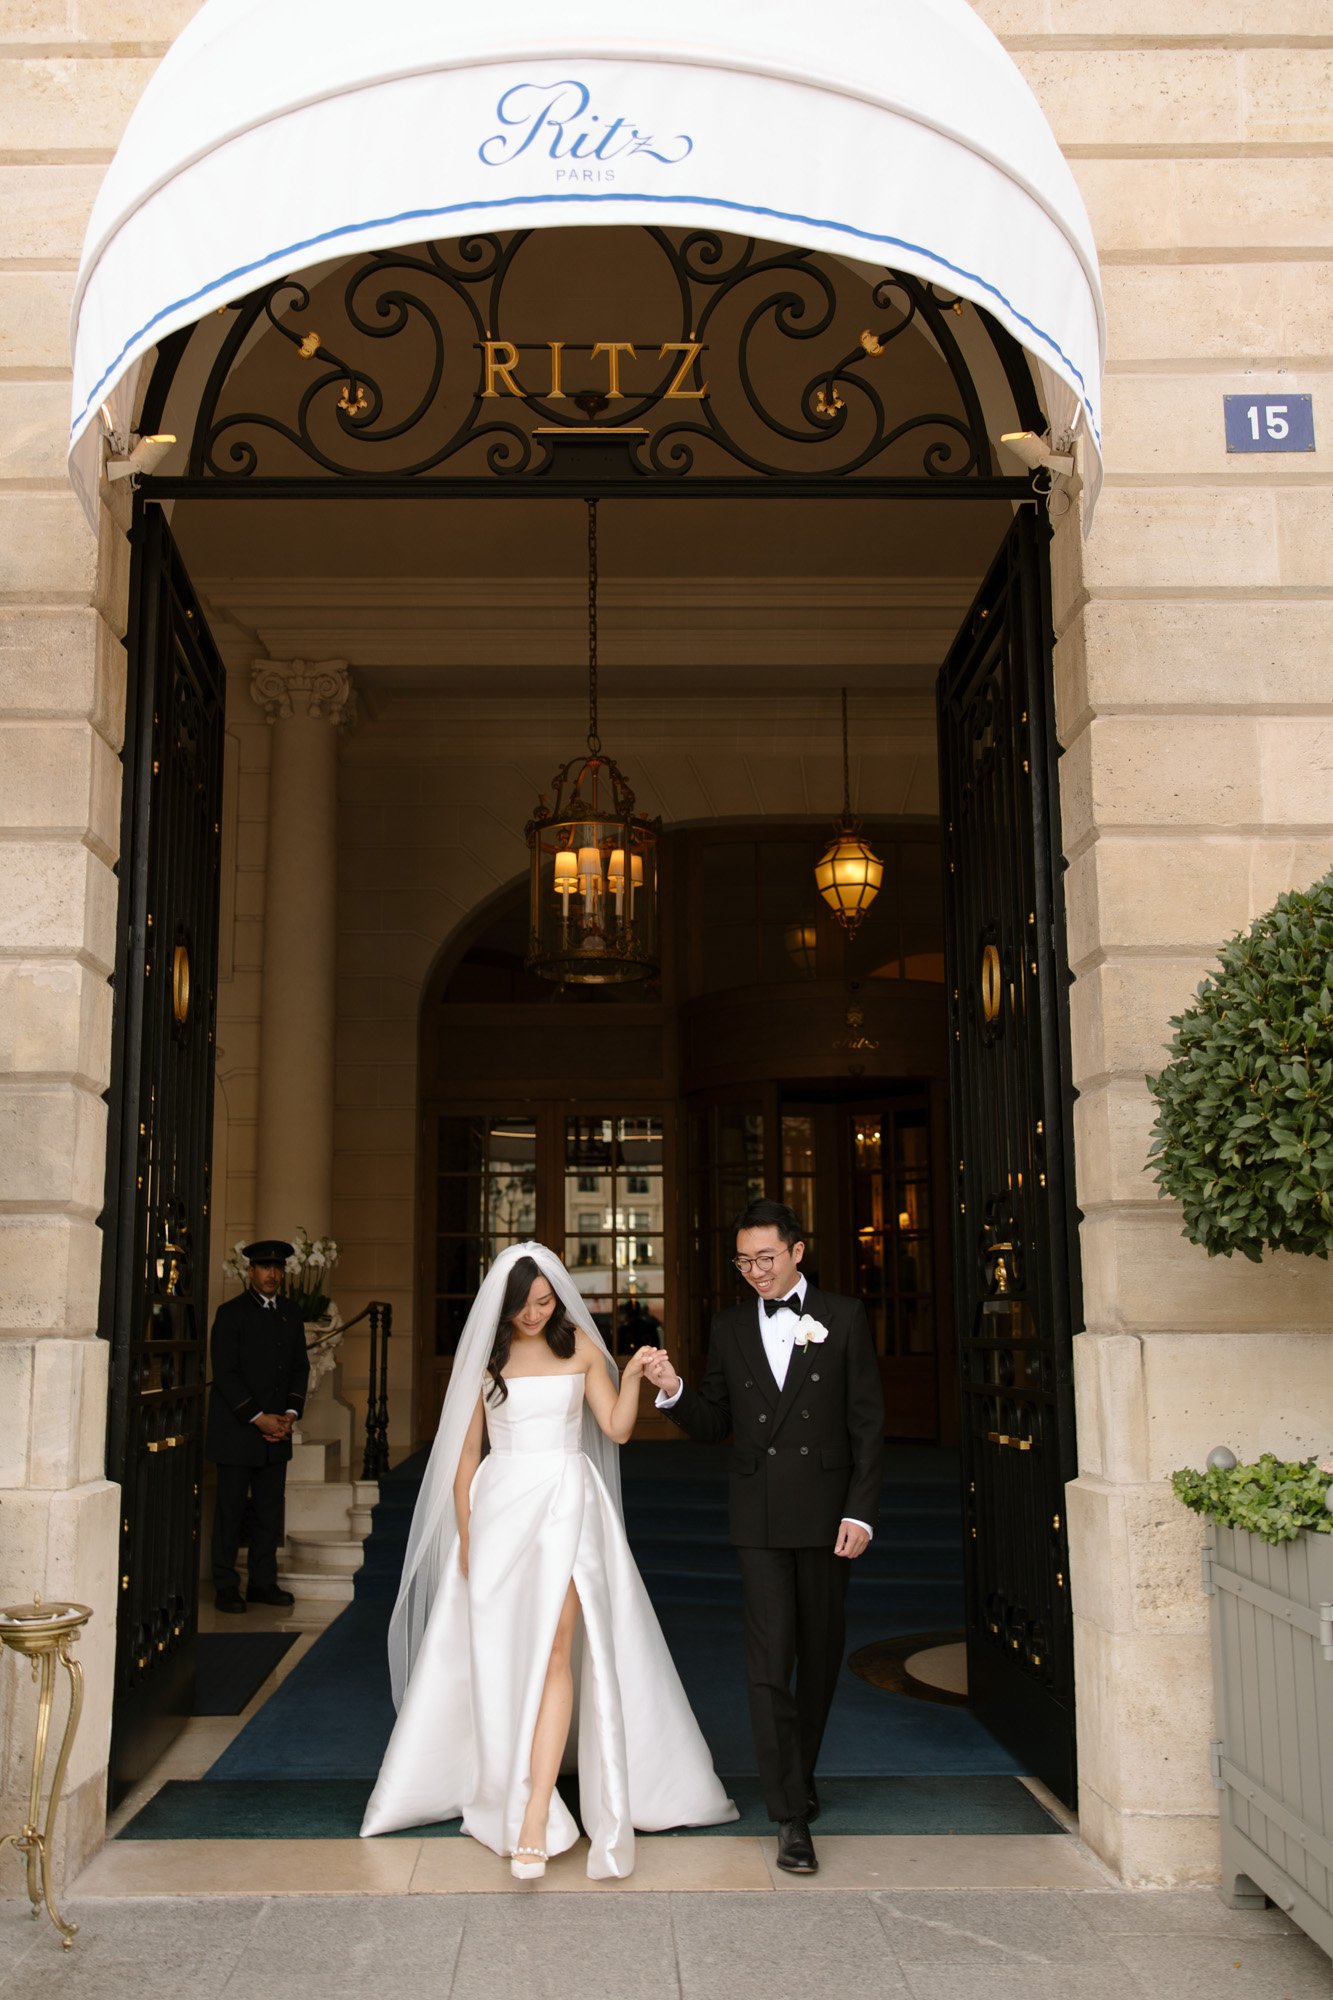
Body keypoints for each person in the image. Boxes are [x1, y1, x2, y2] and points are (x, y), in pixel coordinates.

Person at [360, 1241, 736, 1877]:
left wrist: (636, 1376)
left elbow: (615, 1429)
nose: (534, 1315)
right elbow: (464, 1456)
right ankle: (504, 1779)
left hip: (565, 1503)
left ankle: (535, 1811)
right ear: (502, 1308)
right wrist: (467, 1534)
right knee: (504, 1652)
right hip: (500, 1510)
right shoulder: (486, 1357)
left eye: (544, 1302)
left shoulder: (582, 1349)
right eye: (523, 1306)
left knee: (558, 1651)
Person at [643, 1198, 883, 1876]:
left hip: (828, 1512)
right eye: (744, 1262)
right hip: (758, 1516)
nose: (754, 1273)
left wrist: (860, 1513)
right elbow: (713, 1417)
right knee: (767, 1662)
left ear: (797, 1251)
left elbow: (866, 1423)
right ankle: (789, 1816)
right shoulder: (728, 1327)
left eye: (765, 1259)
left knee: (819, 1652)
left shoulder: (844, 1317)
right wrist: (673, 1389)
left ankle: (798, 1772)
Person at [205, 1238, 309, 1612]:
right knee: (231, 1512)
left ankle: (263, 1583)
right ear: (250, 1272)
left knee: (269, 1512)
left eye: (278, 1268)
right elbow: (227, 1374)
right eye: (265, 1267)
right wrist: (259, 1417)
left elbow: (300, 1367)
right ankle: (226, 1585)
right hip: (238, 1431)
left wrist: (290, 1416)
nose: (272, 1274)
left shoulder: (291, 1313)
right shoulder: (230, 1313)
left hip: (277, 1431)